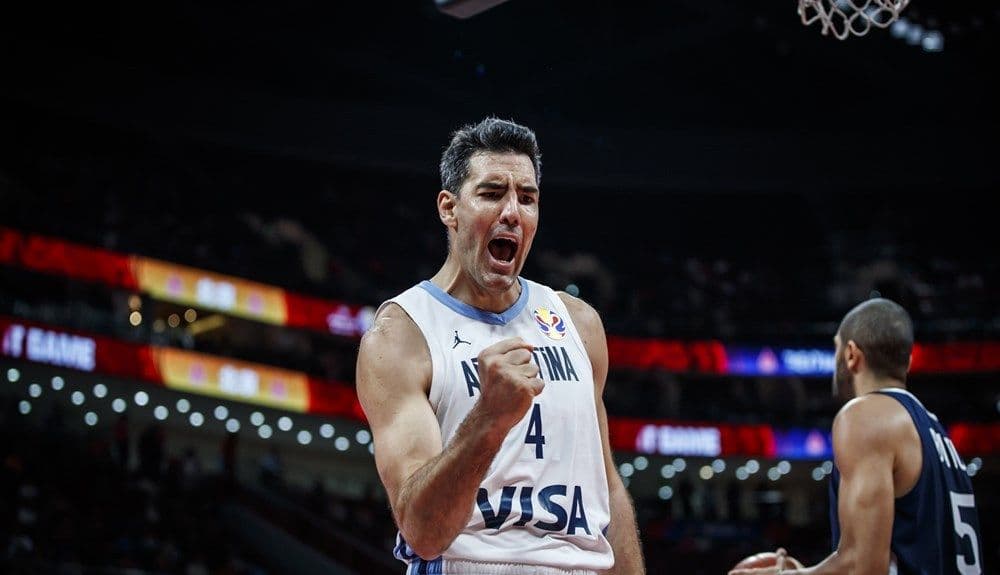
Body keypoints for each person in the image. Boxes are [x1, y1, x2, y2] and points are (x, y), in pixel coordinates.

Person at [357, 117, 645, 575]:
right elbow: (423, 532)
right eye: (492, 194)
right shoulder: (400, 336)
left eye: (527, 198)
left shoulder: (578, 323)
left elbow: (606, 488)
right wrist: (489, 419)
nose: (513, 211)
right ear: (449, 208)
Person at [730, 298, 983, 575]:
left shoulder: (865, 416)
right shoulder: (937, 434)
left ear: (851, 354)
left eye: (836, 347)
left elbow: (864, 567)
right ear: (907, 362)